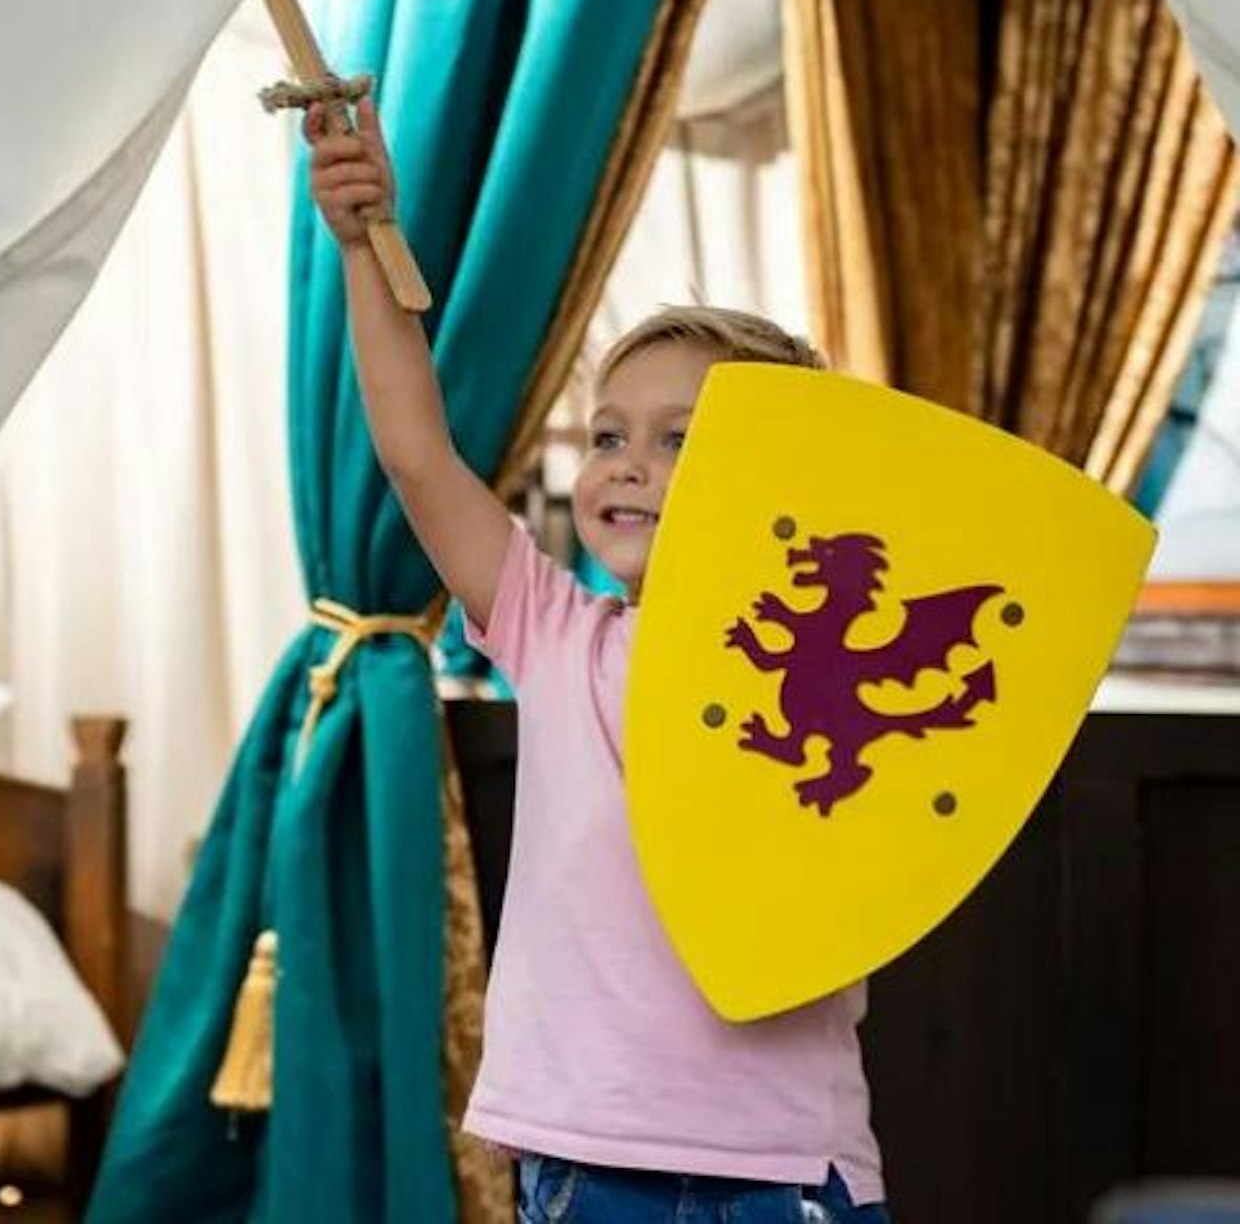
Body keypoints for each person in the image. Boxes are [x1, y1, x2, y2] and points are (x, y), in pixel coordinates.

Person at [305, 97, 890, 1224]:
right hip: (588, 1159)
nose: (628, 465)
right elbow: (418, 456)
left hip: (785, 1166)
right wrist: (365, 249)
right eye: (610, 435)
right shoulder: (554, 631)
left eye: (680, 439)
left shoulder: (834, 688)